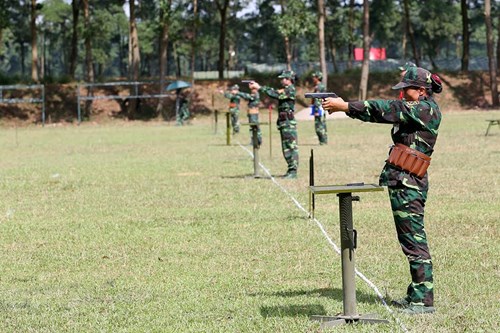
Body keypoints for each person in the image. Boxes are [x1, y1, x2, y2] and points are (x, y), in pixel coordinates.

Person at [321, 66, 443, 315]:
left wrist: (345, 107)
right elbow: (385, 113)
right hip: (404, 180)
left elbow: (386, 110)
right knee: (410, 239)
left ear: (421, 91)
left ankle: (423, 300)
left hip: (408, 182)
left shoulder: (424, 109)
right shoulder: (418, 108)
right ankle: (416, 294)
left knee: (414, 240)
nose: (401, 94)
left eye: (406, 89)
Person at [250, 70, 298, 179]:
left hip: (288, 122)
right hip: (284, 121)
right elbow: (275, 92)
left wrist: (259, 87)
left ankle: (293, 171)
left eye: (283, 78)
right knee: (286, 147)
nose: (281, 80)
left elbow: (275, 94)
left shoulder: (290, 90)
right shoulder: (286, 90)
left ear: (288, 79)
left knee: (290, 147)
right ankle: (291, 169)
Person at [310, 71, 328, 145]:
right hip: (319, 107)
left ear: (317, 78)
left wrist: (316, 110)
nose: (313, 78)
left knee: (319, 125)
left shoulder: (319, 87)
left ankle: (323, 141)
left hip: (319, 108)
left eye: (314, 77)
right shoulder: (319, 86)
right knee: (321, 123)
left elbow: (317, 99)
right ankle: (323, 140)